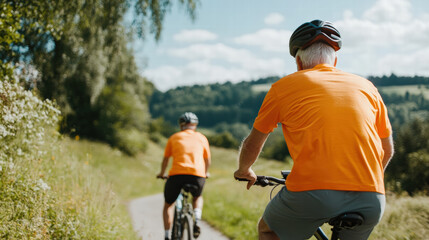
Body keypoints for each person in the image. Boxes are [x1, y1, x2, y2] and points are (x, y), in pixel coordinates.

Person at [234, 19, 394, 240]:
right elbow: (387, 149)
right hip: (372, 198)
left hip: (312, 193)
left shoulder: (282, 88)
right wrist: (365, 180)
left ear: (298, 62)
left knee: (268, 230)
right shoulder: (368, 88)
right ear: (334, 61)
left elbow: (255, 141)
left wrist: (244, 169)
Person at [157, 112, 211, 240]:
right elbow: (207, 160)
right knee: (197, 196)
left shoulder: (174, 137)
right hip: (197, 175)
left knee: (168, 205)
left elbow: (165, 160)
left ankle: (166, 236)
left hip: (176, 175)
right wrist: (206, 172)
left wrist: (162, 173)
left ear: (181, 125)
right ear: (195, 125)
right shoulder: (202, 138)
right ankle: (197, 219)